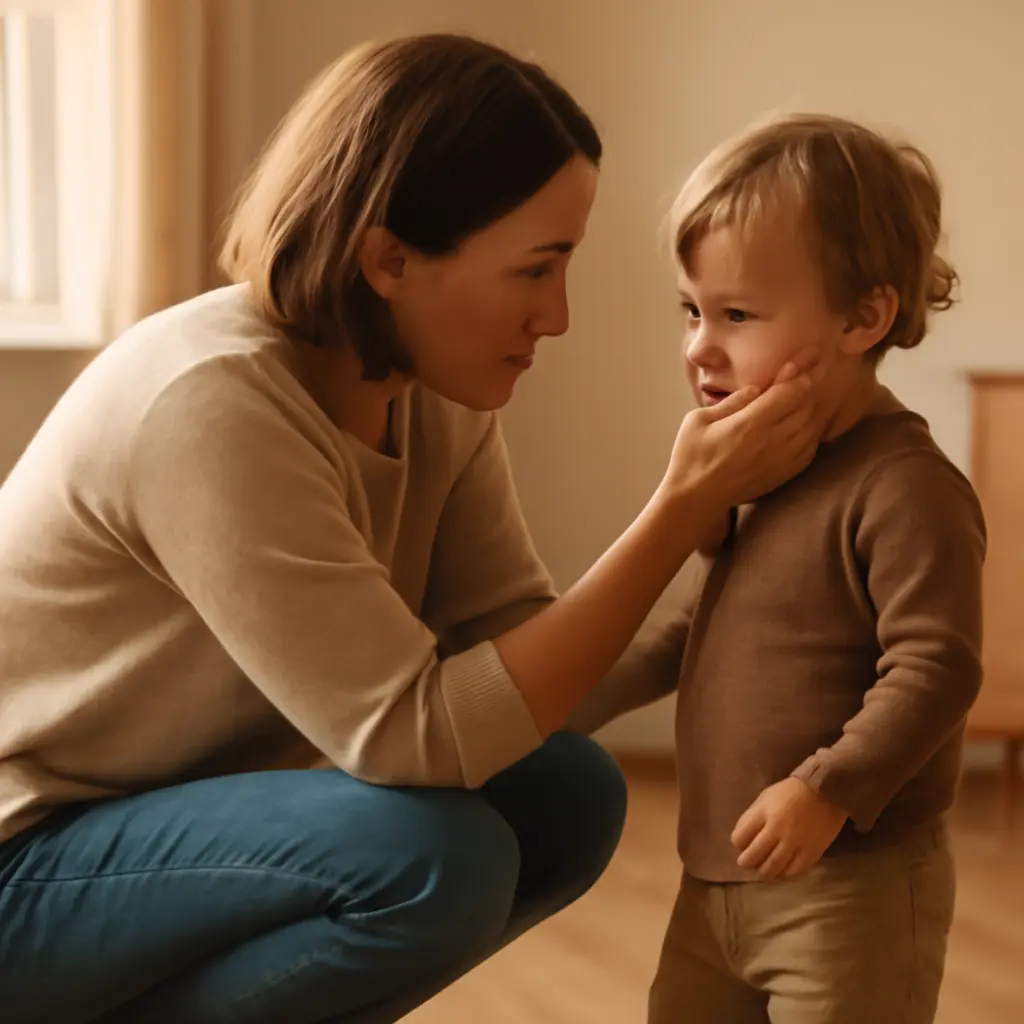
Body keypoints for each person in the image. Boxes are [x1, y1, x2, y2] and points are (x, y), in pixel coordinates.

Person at [0, 35, 821, 1024]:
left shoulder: (430, 394)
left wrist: (726, 610)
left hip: (158, 836)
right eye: (535, 269)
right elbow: (414, 736)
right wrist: (677, 507)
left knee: (566, 794)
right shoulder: (208, 402)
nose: (555, 317)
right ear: (388, 257)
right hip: (27, 860)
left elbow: (514, 674)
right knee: (433, 861)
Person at [638, 114, 986, 1024]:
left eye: (737, 315)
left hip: (851, 890)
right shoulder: (759, 471)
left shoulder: (905, 486)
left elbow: (936, 668)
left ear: (862, 316)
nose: (700, 347)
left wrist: (825, 787)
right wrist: (551, 711)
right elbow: (696, 636)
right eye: (691, 309)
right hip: (713, 882)